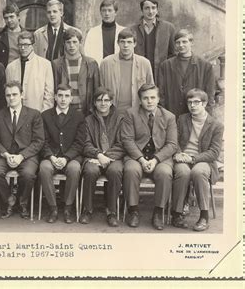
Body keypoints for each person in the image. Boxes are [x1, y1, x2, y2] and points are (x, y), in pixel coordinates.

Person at [121, 83, 178, 230]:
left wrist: (156, 159)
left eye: (153, 97)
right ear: (140, 100)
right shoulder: (130, 114)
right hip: (136, 156)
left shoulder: (169, 117)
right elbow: (127, 139)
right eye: (145, 98)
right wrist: (140, 159)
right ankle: (133, 210)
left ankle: (158, 212)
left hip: (160, 157)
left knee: (165, 173)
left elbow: (172, 144)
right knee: (131, 170)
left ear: (158, 99)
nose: (149, 101)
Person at [0, 81, 44, 219]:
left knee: (28, 174)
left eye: (14, 94)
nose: (11, 98)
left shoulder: (34, 114)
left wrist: (21, 156)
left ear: (22, 95)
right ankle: (9, 200)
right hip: (4, 155)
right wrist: (6, 155)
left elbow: (38, 141)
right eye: (8, 95)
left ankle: (22, 202)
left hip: (27, 156)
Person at [171, 89, 223, 231]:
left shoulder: (216, 125)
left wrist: (193, 158)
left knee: (199, 172)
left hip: (203, 160)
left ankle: (204, 216)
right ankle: (176, 213)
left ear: (205, 103)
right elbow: (173, 141)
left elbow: (214, 152)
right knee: (183, 172)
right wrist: (178, 154)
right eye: (189, 102)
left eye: (196, 102)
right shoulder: (182, 119)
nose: (192, 105)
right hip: (182, 158)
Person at [38, 85, 84, 224]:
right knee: (44, 168)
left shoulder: (79, 116)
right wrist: (51, 156)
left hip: (71, 157)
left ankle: (68, 208)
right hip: (50, 156)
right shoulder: (45, 116)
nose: (63, 99)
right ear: (55, 97)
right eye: (60, 96)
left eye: (67, 96)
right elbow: (42, 140)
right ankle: (53, 208)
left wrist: (66, 158)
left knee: (75, 169)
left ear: (71, 98)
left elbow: (79, 142)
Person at [80, 87, 125, 227]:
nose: (103, 103)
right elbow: (85, 143)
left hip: (114, 158)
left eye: (106, 100)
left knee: (115, 171)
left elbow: (123, 143)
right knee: (90, 171)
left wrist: (106, 156)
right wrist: (98, 155)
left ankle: (111, 211)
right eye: (99, 100)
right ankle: (87, 209)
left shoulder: (120, 118)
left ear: (111, 102)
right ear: (94, 102)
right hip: (93, 157)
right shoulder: (88, 120)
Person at [157, 29, 216, 117]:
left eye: (184, 42)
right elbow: (161, 93)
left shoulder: (205, 66)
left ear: (191, 43)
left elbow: (210, 94)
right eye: (178, 42)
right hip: (172, 114)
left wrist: (206, 116)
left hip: (195, 114)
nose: (181, 45)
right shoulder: (166, 66)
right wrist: (164, 114)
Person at [99, 28, 154, 114]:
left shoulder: (144, 63)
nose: (125, 45)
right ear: (118, 43)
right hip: (112, 112)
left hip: (137, 112)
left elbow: (151, 89)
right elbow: (100, 89)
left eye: (129, 42)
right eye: (122, 42)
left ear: (134, 44)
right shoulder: (106, 63)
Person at [52, 28, 99, 116]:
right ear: (64, 44)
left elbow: (96, 89)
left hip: (86, 111)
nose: (72, 45)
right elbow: (54, 88)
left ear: (80, 43)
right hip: (65, 110)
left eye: (75, 42)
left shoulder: (91, 63)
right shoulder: (56, 64)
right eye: (68, 42)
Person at [5, 31, 54, 112]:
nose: (23, 48)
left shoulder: (45, 65)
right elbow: (8, 93)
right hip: (16, 114)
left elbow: (49, 95)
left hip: (38, 113)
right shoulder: (10, 67)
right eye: (20, 45)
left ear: (33, 45)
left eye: (26, 45)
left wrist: (43, 114)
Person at [132, 0, 176, 78]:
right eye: (147, 8)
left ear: (157, 10)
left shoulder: (168, 28)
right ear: (142, 10)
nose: (150, 11)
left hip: (161, 74)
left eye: (153, 8)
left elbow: (173, 54)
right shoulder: (132, 29)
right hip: (139, 73)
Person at [82, 0, 126, 64]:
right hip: (98, 69)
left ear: (115, 12)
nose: (106, 13)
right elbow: (87, 54)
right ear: (100, 12)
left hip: (118, 68)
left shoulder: (123, 31)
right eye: (104, 10)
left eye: (110, 10)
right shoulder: (92, 32)